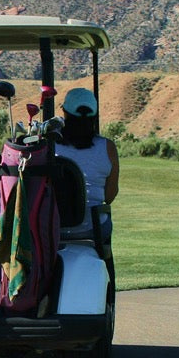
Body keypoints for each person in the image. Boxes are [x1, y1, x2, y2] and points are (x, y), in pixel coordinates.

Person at [53, 87, 119, 247]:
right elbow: (109, 195)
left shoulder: (50, 145)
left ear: (65, 113)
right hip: (94, 229)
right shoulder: (108, 147)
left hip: (54, 228)